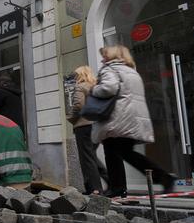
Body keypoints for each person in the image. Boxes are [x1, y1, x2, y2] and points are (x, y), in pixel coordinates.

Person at [90, 45, 174, 198]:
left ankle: (119, 188)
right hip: (131, 118)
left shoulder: (111, 69)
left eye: (105, 56)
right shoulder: (131, 71)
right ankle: (160, 178)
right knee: (125, 153)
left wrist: (93, 89)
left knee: (113, 153)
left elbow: (108, 88)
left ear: (113, 56)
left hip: (118, 117)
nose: (102, 59)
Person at [66, 65, 107, 194]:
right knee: (91, 156)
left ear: (80, 76)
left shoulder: (80, 87)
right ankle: (108, 181)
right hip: (96, 125)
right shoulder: (95, 88)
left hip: (83, 126)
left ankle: (94, 188)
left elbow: (78, 105)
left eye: (76, 75)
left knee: (86, 158)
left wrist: (71, 118)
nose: (75, 77)